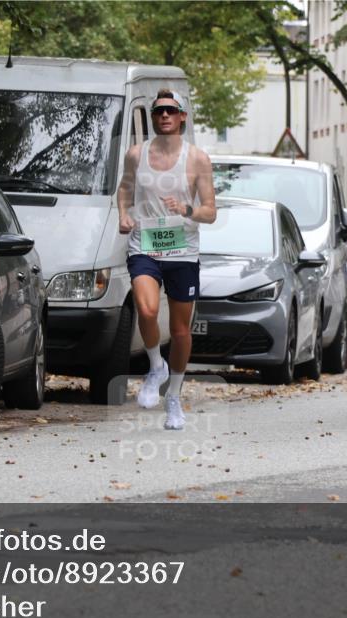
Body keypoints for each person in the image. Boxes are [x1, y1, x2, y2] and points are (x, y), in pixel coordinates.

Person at [118, 89, 216, 430]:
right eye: (158, 111)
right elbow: (125, 189)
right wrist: (123, 216)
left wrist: (186, 209)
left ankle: (173, 396)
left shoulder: (198, 159)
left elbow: (210, 212)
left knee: (179, 330)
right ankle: (155, 366)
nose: (164, 116)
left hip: (182, 251)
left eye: (170, 111)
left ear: (182, 117)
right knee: (145, 310)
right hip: (144, 244)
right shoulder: (136, 154)